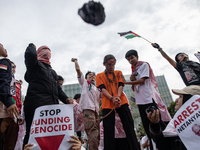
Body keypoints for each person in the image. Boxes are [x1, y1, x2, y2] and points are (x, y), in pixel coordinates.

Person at [23, 43, 72, 147]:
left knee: (49, 135)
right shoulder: (34, 65)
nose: (46, 51)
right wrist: (32, 46)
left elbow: (58, 90)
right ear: (38, 53)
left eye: (48, 50)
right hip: (36, 107)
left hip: (51, 108)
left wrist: (67, 99)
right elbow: (30, 55)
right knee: (32, 134)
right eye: (43, 49)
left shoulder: (53, 72)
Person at [124, 50, 170, 150]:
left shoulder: (144, 65)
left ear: (137, 56)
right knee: (147, 127)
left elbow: (142, 80)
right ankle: (154, 146)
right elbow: (134, 87)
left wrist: (126, 82)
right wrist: (131, 81)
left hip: (148, 99)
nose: (130, 60)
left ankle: (168, 144)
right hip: (140, 102)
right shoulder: (134, 70)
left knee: (157, 123)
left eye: (132, 57)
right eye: (128, 59)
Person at [95, 54, 140, 150]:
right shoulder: (99, 76)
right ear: (104, 64)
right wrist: (112, 98)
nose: (111, 67)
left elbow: (120, 85)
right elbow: (102, 89)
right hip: (107, 104)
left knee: (129, 127)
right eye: (109, 65)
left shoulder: (118, 73)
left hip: (121, 101)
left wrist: (118, 97)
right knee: (108, 131)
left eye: (113, 64)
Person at [147, 85, 200, 150]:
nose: (176, 100)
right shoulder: (174, 124)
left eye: (180, 97)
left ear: (190, 100)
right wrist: (155, 125)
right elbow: (163, 145)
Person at [71, 58, 101, 150]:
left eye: (93, 75)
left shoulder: (97, 88)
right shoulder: (85, 83)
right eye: (89, 75)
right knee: (92, 132)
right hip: (88, 110)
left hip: (96, 112)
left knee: (97, 134)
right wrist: (76, 61)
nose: (92, 76)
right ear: (86, 77)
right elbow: (78, 71)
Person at [0, 61, 24, 150]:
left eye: (14, 67)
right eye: (11, 67)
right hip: (3, 115)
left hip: (14, 117)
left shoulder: (17, 84)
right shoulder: (2, 80)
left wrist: (20, 115)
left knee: (10, 144)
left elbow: (19, 99)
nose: (12, 69)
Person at [0, 43, 20, 149]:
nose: (5, 49)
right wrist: (9, 103)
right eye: (2, 46)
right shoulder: (3, 61)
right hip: (4, 113)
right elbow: (2, 83)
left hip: (11, 114)